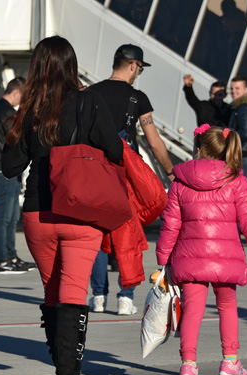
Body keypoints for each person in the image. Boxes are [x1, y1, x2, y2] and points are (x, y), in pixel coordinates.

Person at [1, 36, 123, 375]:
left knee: (52, 294)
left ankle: (61, 367)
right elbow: (115, 151)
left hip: (38, 214)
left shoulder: (30, 109)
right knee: (73, 294)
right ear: (71, 65)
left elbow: (9, 167)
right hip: (79, 212)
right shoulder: (88, 102)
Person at [156, 125, 247, 375]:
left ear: (199, 149)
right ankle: (230, 361)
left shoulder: (180, 182)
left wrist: (163, 257)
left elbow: (170, 224)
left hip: (189, 257)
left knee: (193, 311)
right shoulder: (237, 180)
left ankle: (188, 365)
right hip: (225, 258)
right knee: (228, 306)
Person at [86, 44, 175, 315]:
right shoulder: (137, 98)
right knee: (128, 233)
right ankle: (126, 298)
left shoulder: (91, 94)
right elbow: (154, 141)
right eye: (140, 69)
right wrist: (170, 170)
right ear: (134, 65)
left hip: (94, 174)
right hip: (124, 176)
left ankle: (98, 297)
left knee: (98, 235)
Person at [0, 76, 35, 275]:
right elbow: (16, 140)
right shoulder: (8, 113)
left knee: (11, 217)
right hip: (2, 170)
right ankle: (4, 260)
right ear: (16, 93)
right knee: (4, 217)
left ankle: (11, 257)